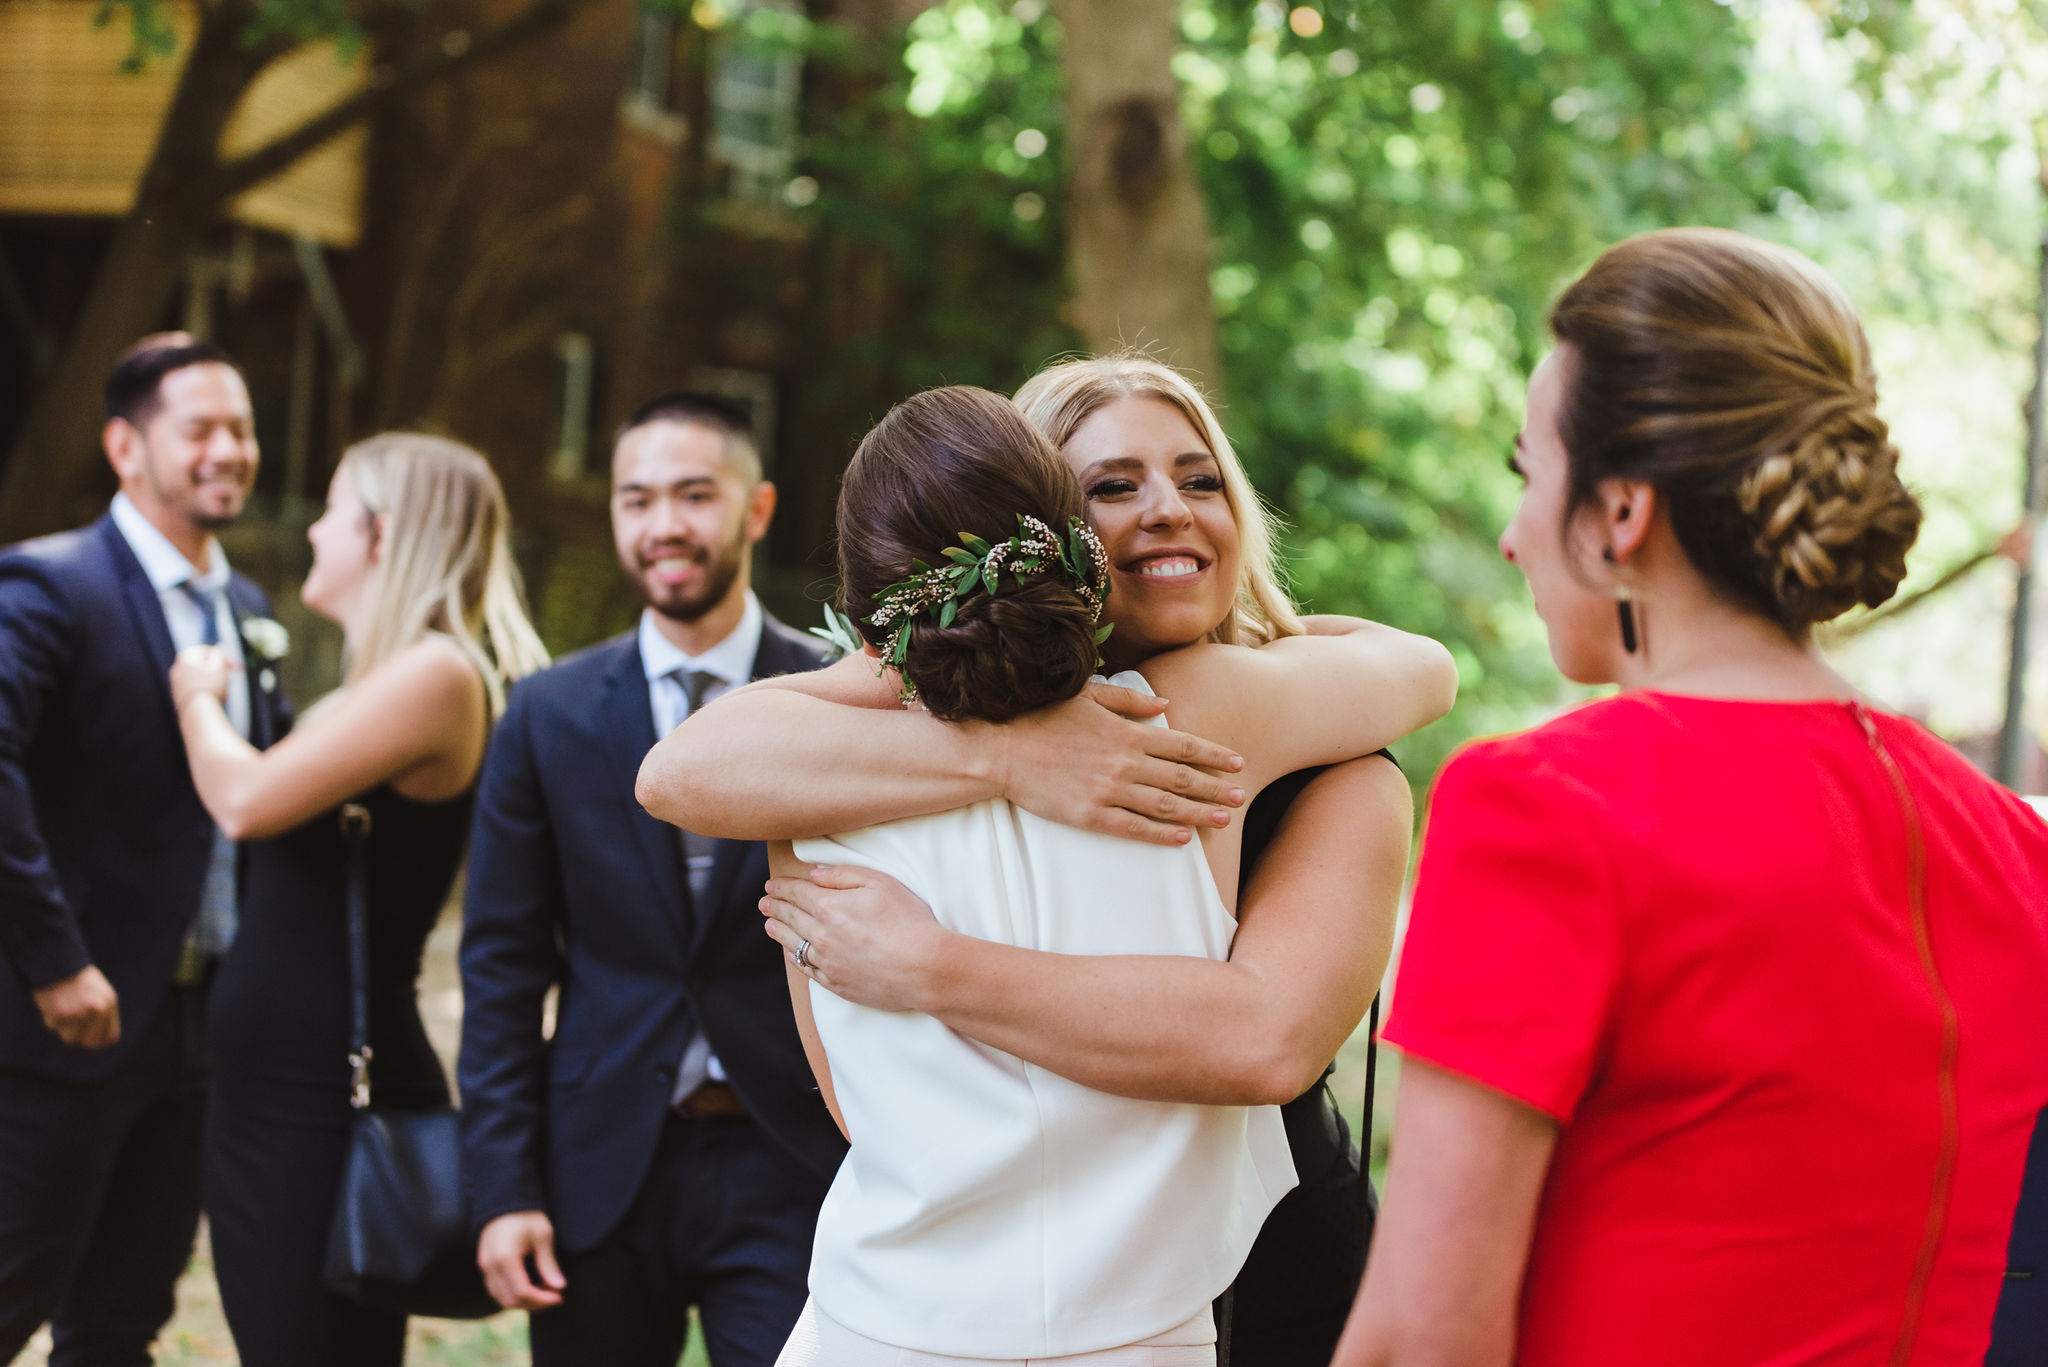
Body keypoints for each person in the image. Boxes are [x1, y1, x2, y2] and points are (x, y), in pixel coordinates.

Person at [638, 354, 1453, 1364]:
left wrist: (932, 968)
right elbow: (686, 766)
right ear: (1042, 522)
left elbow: (1264, 1039)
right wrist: (1010, 753)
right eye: (1112, 485)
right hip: (1108, 1297)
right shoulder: (853, 760)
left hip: (1271, 1264)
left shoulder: (1296, 731)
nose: (1166, 509)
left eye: (1200, 479)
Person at [1333, 228, 2048, 1367]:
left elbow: (1423, 1334)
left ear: (1619, 512)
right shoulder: (2013, 845)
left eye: (1530, 476)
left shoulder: (1543, 808)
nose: (1515, 539)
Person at [457, 394, 846, 1367]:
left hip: (794, 1157)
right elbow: (501, 967)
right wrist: (502, 1186)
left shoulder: (839, 696)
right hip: (597, 1165)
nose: (662, 523)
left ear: (755, 510)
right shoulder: (543, 713)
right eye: (635, 499)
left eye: (692, 494)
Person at [169, 432, 548, 1367]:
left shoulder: (438, 673)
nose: (313, 533)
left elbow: (246, 799)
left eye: (332, 509)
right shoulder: (385, 677)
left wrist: (196, 698)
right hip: (278, 1090)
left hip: (329, 1096)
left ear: (383, 535)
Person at [0, 334, 292, 1365]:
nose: (230, 449)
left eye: (243, 428)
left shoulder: (249, 612)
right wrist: (55, 960)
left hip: (198, 1028)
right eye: (200, 429)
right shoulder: (51, 585)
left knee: (125, 1315)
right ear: (125, 446)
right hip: (60, 1023)